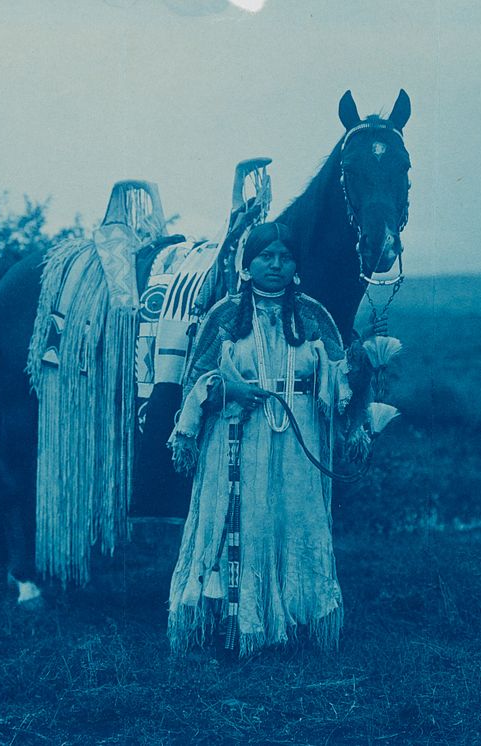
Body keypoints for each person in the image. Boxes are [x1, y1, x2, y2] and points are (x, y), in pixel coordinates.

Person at [167, 222, 352, 658]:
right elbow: (194, 384)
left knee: (296, 522)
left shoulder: (314, 317)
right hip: (238, 437)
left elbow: (338, 383)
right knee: (242, 521)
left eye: (285, 257)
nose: (276, 264)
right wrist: (228, 390)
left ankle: (298, 623)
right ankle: (227, 627)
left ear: (296, 266)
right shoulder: (225, 315)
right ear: (248, 265)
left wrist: (357, 390)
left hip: (299, 444)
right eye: (266, 256)